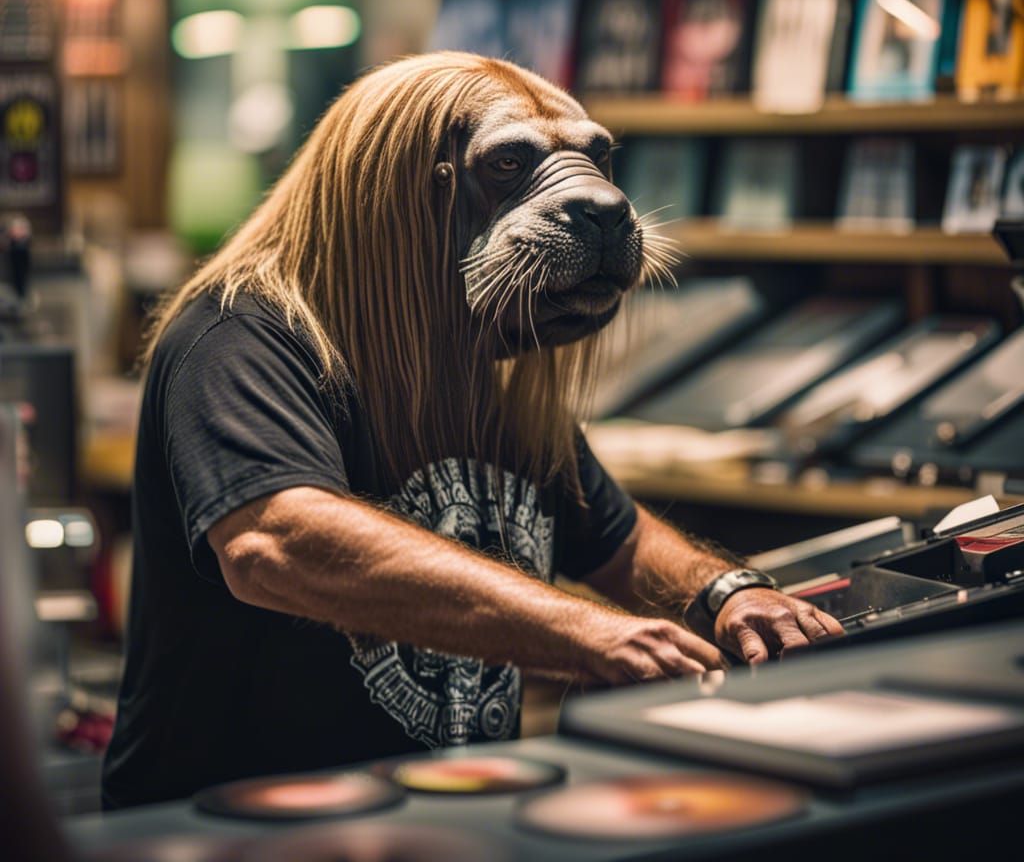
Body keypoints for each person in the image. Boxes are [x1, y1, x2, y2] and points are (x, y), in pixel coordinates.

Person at [102, 53, 842, 808]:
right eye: (510, 164)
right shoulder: (240, 336)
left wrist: (723, 593)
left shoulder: (472, 360)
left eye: (593, 157)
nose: (596, 196)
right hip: (241, 829)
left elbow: (613, 538)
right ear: (395, 191)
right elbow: (278, 543)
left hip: (440, 812)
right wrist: (592, 634)